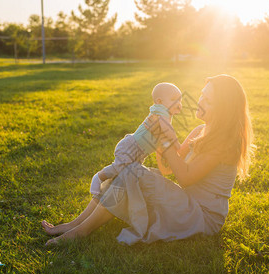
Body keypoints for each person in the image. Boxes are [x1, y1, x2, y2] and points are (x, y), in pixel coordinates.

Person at [42, 74, 254, 246]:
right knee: (127, 169)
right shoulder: (200, 130)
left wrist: (168, 139)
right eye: (201, 95)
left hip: (202, 216)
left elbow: (186, 178)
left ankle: (81, 232)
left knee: (131, 172)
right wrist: (158, 140)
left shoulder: (223, 142)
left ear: (223, 108)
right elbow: (168, 169)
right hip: (186, 202)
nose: (199, 101)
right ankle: (75, 224)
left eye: (208, 100)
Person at [89, 82, 182, 197]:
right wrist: (177, 144)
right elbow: (167, 130)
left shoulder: (165, 113)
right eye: (174, 100)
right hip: (132, 146)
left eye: (180, 100)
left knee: (128, 174)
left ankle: (112, 193)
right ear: (159, 102)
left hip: (140, 152)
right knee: (118, 167)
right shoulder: (160, 111)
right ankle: (98, 177)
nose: (178, 103)